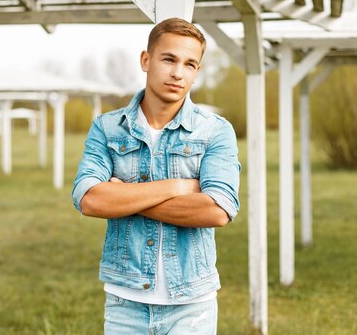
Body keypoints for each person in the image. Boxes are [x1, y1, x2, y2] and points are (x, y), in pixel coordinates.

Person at [72, 18, 241, 335]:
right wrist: (177, 187)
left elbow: (218, 210)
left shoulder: (215, 131)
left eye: (190, 64)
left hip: (192, 306)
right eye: (169, 59)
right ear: (146, 60)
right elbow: (89, 199)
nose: (179, 72)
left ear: (196, 71)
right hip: (125, 304)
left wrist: (125, 197)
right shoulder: (107, 128)